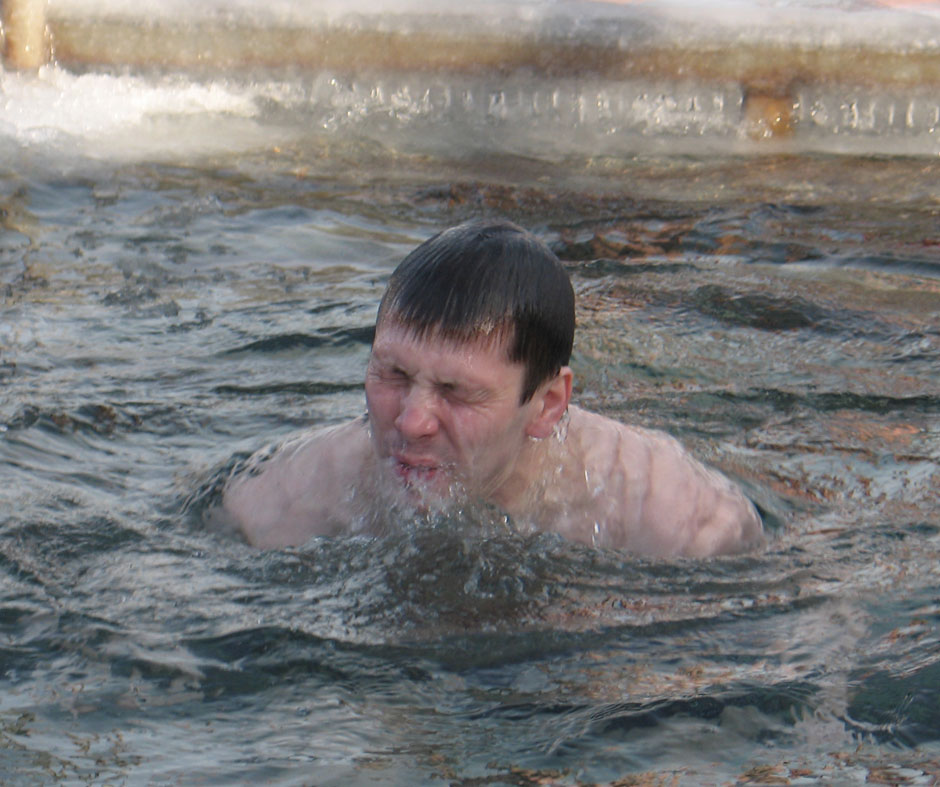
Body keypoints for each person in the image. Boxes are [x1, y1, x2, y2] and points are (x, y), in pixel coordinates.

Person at [218, 219, 763, 557]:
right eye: (394, 375)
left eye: (457, 392)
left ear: (548, 405)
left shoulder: (677, 522)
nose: (411, 421)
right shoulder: (278, 505)